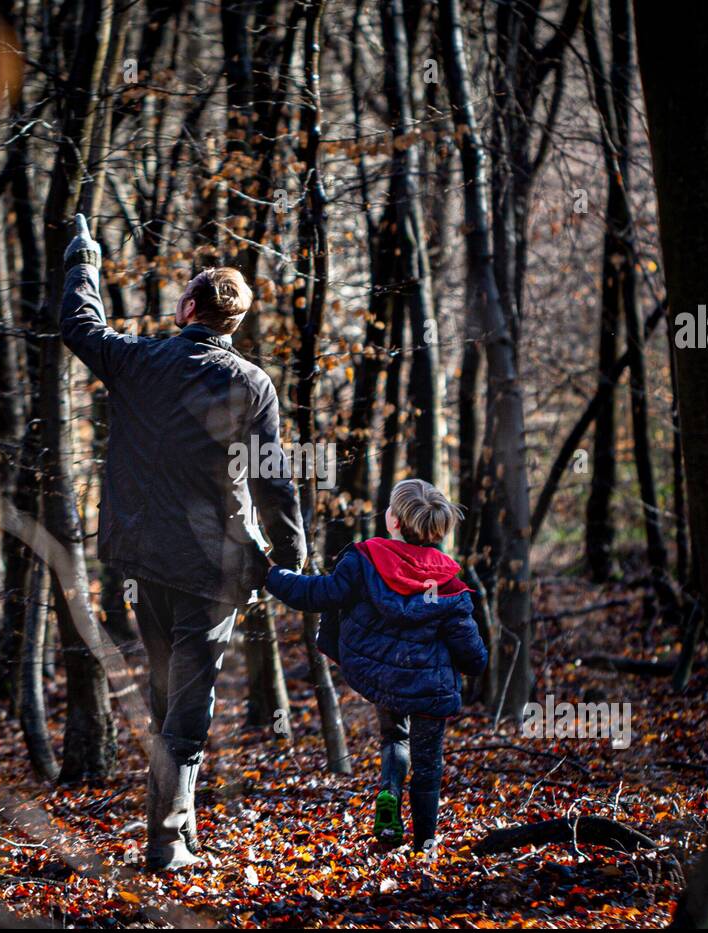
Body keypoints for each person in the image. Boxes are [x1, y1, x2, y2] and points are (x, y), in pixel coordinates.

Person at [59, 214, 306, 871]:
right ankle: (169, 842)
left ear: (188, 309)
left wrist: (84, 258)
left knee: (173, 697)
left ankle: (176, 832)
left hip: (143, 563)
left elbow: (80, 327)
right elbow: (274, 479)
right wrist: (292, 555)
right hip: (212, 569)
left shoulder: (141, 361)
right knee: (185, 707)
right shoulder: (253, 383)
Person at [265, 479, 487, 850]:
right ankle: (426, 841)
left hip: (383, 677)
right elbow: (472, 655)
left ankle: (388, 798)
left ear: (394, 522)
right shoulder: (448, 582)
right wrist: (471, 660)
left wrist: (272, 574)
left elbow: (316, 594)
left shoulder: (365, 561)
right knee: (428, 764)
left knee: (394, 737)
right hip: (431, 690)